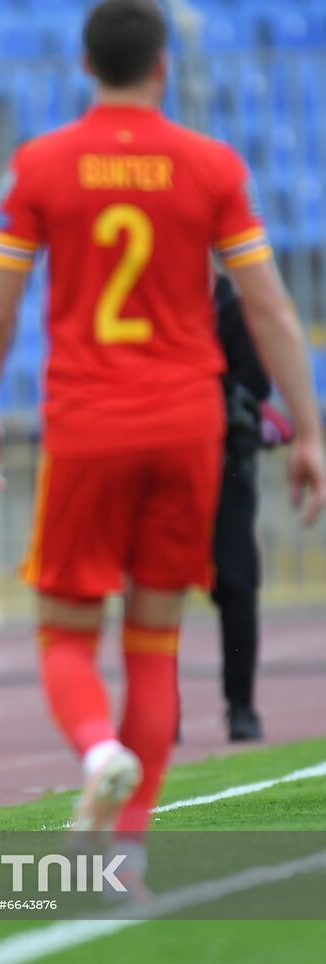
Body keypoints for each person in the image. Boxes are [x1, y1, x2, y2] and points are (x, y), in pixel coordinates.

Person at [0, 0, 326, 855]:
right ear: (162, 67)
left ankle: (97, 750)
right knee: (155, 644)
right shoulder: (209, 166)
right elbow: (270, 306)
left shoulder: (42, 165)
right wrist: (308, 431)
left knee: (64, 634)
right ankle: (122, 847)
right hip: (187, 427)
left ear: (85, 67)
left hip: (89, 425)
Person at [211, 274, 291, 742]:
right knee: (157, 587)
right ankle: (162, 705)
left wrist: (213, 392)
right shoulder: (155, 305)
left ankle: (240, 704)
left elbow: (259, 382)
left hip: (226, 466)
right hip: (172, 466)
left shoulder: (229, 307)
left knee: (238, 585)